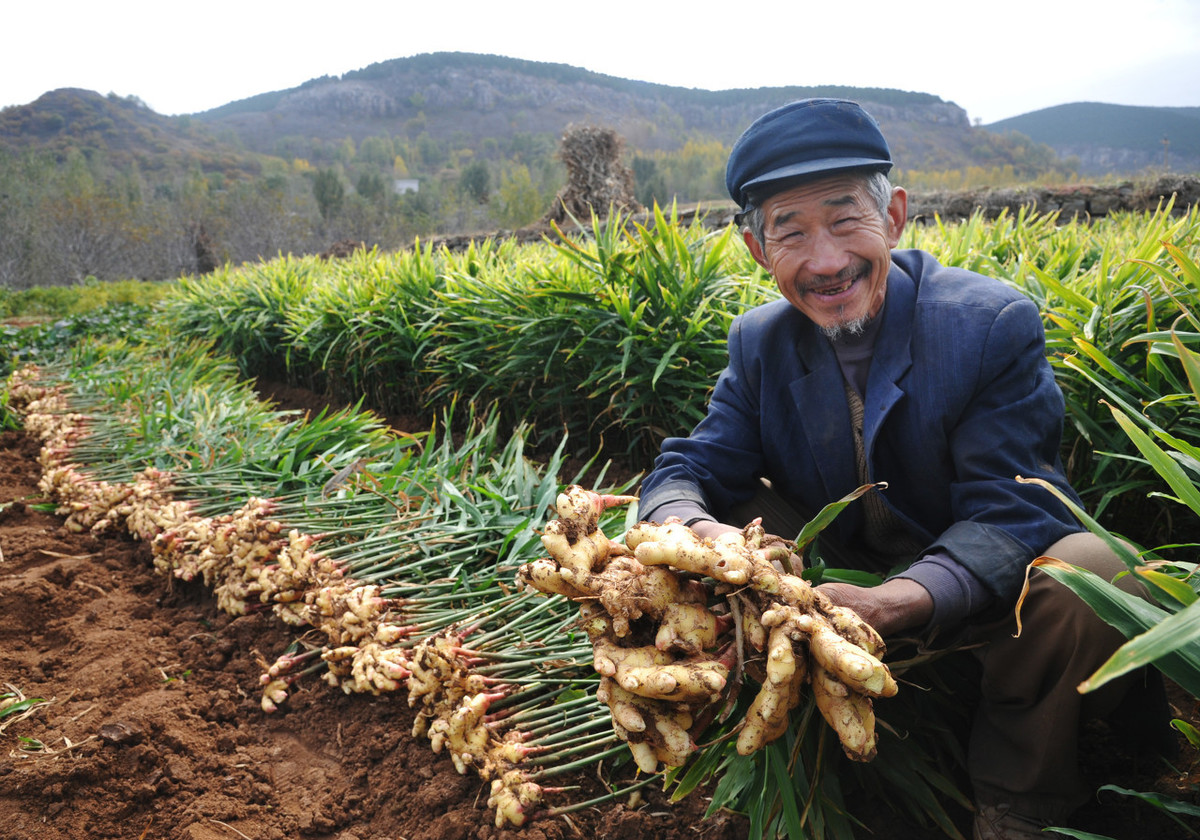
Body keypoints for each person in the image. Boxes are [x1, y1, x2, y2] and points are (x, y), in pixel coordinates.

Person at [636, 98, 1161, 840]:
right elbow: (688, 465)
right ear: (758, 251)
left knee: (1094, 567)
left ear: (896, 218)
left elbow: (1017, 509)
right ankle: (803, 745)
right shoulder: (760, 342)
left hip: (981, 594)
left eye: (846, 219)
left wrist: (900, 600)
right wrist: (690, 531)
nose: (825, 261)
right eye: (791, 231)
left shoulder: (986, 323)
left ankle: (1021, 802)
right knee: (706, 515)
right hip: (839, 581)